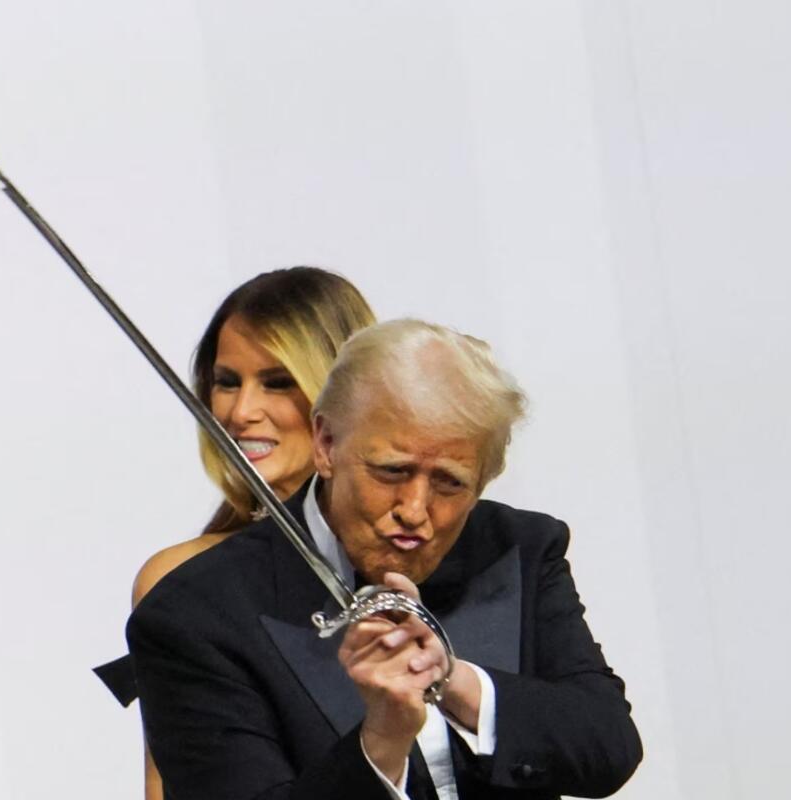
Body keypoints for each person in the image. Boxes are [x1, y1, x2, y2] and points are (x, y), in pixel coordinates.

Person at [129, 319, 643, 800]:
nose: (415, 511)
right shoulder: (195, 614)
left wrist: (454, 682)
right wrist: (380, 744)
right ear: (326, 443)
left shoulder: (519, 548)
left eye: (449, 483)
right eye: (392, 471)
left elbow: (608, 745)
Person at [92, 266, 376, 799]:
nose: (241, 412)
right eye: (227, 382)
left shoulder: (421, 554)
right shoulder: (183, 582)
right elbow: (166, 788)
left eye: (278, 382)